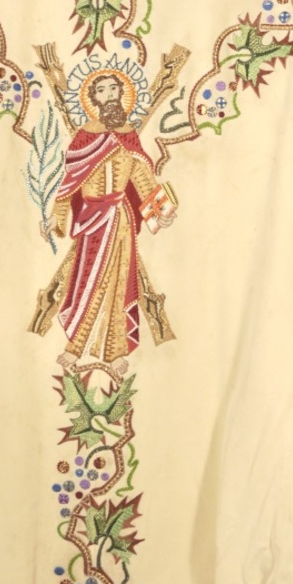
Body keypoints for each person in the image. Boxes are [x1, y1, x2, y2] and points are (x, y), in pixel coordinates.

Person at [33, 71, 176, 375]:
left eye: (114, 88)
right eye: (102, 89)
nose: (110, 93)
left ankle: (114, 351)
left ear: (122, 94)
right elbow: (70, 183)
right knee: (88, 281)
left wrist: (161, 212)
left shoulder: (128, 136)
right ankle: (75, 346)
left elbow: (142, 177)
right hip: (92, 220)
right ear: (93, 98)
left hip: (120, 220)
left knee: (118, 282)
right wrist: (55, 217)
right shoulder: (84, 136)